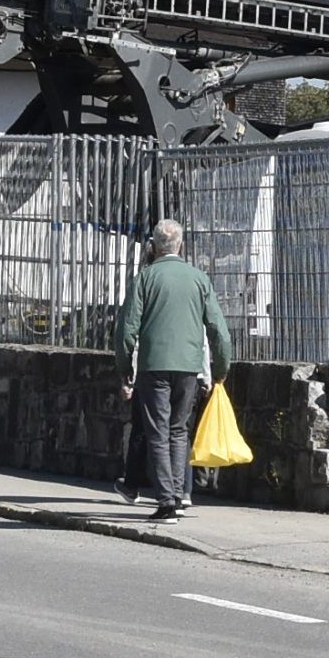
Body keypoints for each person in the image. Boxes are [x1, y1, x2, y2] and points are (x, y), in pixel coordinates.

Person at [116, 217, 233, 521]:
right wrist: (220, 369)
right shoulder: (198, 279)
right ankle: (180, 496)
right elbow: (219, 331)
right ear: (181, 245)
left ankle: (166, 500)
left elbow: (127, 329)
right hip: (189, 366)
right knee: (179, 431)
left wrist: (124, 366)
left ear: (153, 246)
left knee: (157, 432)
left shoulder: (145, 278)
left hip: (153, 364)